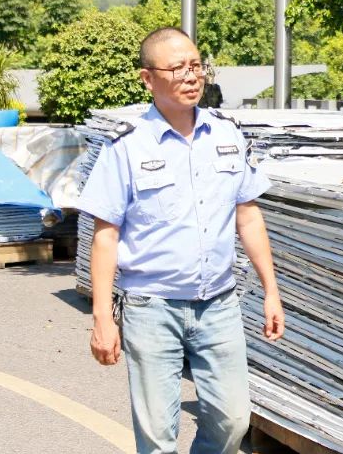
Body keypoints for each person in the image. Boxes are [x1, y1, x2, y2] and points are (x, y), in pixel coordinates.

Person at [78, 27, 284, 454]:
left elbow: (248, 217)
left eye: (196, 65)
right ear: (148, 79)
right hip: (152, 307)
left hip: (219, 305)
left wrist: (271, 291)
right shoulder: (126, 147)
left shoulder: (227, 134)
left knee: (232, 421)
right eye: (177, 68)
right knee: (157, 435)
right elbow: (105, 237)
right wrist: (102, 318)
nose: (191, 76)